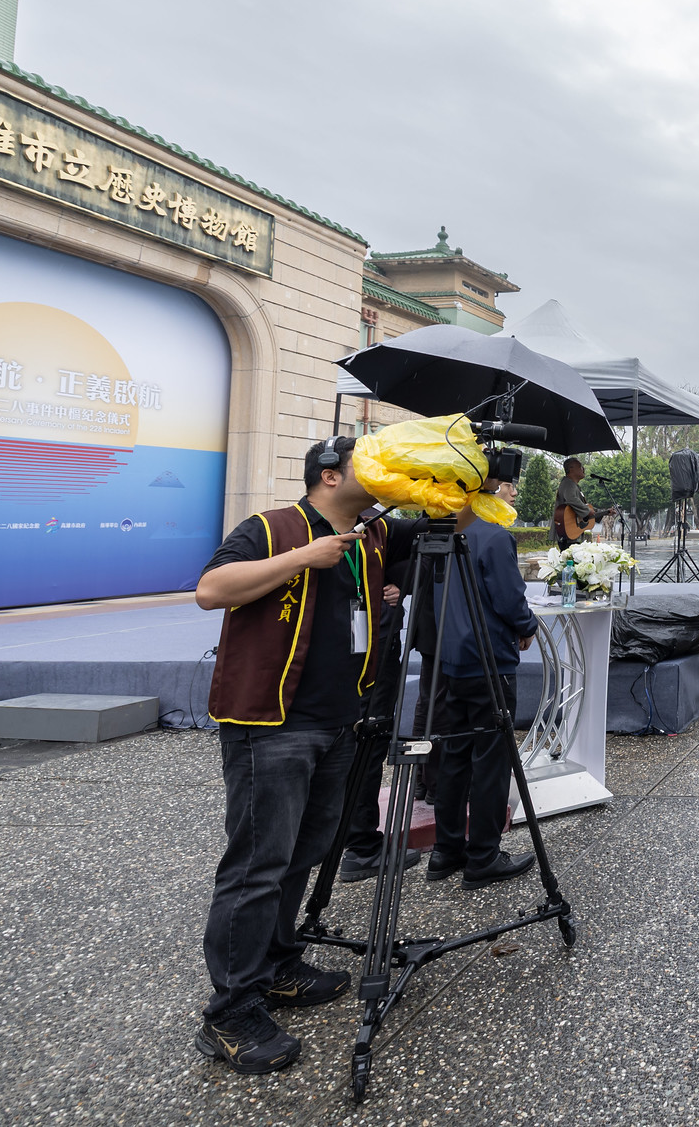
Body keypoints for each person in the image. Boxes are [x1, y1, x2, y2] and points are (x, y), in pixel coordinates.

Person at [192, 437, 414, 1075]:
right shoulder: (273, 527)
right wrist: (303, 557)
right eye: (365, 466)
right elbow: (211, 590)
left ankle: (279, 963)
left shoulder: (372, 537)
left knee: (306, 853)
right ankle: (230, 1011)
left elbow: (449, 520)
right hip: (274, 724)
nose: (378, 477)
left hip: (342, 725)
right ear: (327, 474)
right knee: (258, 864)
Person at [424, 475, 542, 891]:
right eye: (509, 486)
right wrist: (526, 625)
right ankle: (484, 856)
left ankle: (446, 850)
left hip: (453, 658)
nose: (513, 493)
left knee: (455, 755)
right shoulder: (492, 537)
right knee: (491, 762)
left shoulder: (447, 534)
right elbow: (509, 598)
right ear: (487, 490)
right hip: (488, 658)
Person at [552, 457, 602, 551]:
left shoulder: (574, 485)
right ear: (571, 469)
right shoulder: (568, 483)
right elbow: (571, 499)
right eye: (580, 466)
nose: (583, 469)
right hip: (567, 533)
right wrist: (587, 510)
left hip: (572, 534)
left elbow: (580, 506)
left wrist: (602, 512)